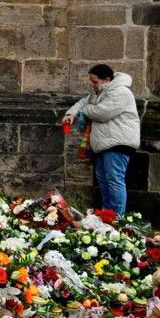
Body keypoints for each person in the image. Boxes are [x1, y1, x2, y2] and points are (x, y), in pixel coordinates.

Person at [60, 62, 140, 219]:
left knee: (114, 180)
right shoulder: (100, 92)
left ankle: (117, 217)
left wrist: (84, 111)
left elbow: (101, 112)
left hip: (118, 143)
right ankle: (106, 215)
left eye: (95, 82)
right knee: (103, 181)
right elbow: (83, 102)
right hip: (104, 143)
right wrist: (72, 114)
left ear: (107, 79)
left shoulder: (120, 92)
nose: (93, 85)